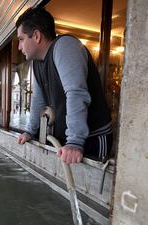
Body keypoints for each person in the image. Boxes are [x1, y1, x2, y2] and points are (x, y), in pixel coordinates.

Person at [16, 8, 112, 164]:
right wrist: (29, 131)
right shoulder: (37, 63)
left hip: (92, 137)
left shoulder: (65, 45)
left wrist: (74, 141)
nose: (19, 47)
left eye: (21, 39)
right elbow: (38, 99)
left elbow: (76, 93)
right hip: (70, 141)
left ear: (37, 36)